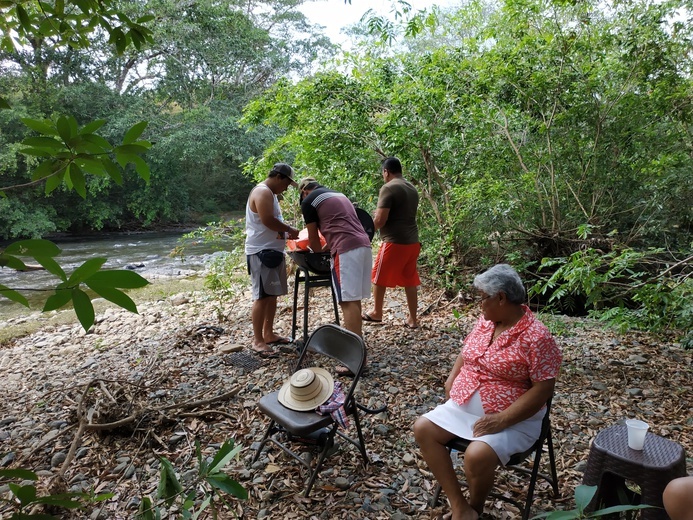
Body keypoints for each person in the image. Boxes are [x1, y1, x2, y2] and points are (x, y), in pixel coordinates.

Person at [413, 264, 562, 520]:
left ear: (501, 298)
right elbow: (467, 349)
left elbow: (543, 389)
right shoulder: (487, 321)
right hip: (464, 405)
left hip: (512, 419)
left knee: (477, 454)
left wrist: (501, 420)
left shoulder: (537, 337)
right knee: (423, 428)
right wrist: (452, 377)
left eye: (483, 298)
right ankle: (461, 508)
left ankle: (476, 507)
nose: (479, 305)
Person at [298, 177, 372, 342]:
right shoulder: (339, 195)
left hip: (346, 251)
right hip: (364, 245)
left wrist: (315, 253)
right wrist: (327, 247)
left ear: (304, 192)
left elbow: (313, 238)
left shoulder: (308, 201)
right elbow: (343, 227)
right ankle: (358, 346)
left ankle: (354, 355)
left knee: (347, 301)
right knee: (353, 299)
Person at [245, 163, 300, 358]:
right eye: (286, 184)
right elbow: (267, 220)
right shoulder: (263, 192)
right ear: (279, 178)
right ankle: (257, 340)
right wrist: (289, 230)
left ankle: (268, 334)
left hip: (272, 252)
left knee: (272, 294)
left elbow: (270, 224)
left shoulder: (271, 194)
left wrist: (285, 236)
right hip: (261, 253)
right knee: (262, 296)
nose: (286, 188)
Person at [363, 157, 421, 329]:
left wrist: (364, 232)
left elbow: (380, 220)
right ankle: (413, 319)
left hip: (394, 242)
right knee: (410, 280)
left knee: (378, 277)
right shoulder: (411, 188)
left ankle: (376, 312)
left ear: (386, 172)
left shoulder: (388, 187)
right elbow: (400, 213)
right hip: (413, 242)